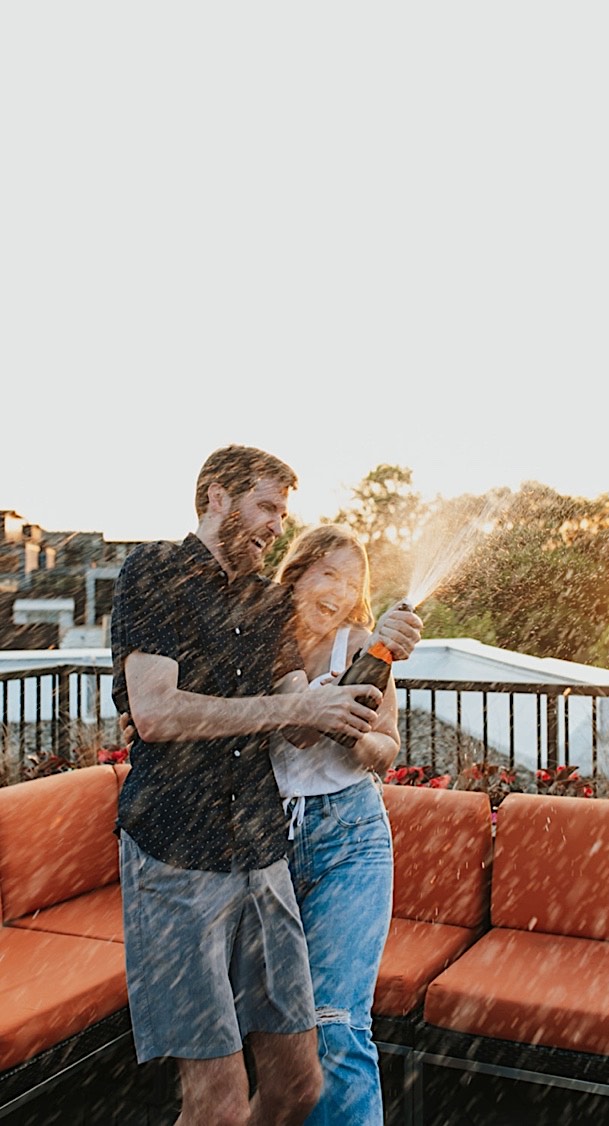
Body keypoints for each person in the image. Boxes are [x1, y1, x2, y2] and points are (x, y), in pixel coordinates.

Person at [111, 446, 385, 1125]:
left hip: (262, 859)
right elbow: (154, 713)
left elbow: (299, 718)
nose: (275, 525)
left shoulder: (268, 602)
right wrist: (296, 707)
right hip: (177, 857)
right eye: (264, 507)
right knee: (220, 1099)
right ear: (215, 498)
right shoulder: (154, 572)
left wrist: (374, 660)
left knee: (300, 1086)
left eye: (281, 513)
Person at [269, 524, 419, 1125]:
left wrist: (358, 739)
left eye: (351, 580)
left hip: (350, 839)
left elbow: (389, 747)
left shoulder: (365, 648)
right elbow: (293, 730)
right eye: (327, 572)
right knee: (279, 1028)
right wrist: (320, 709)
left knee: (336, 1023)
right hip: (266, 844)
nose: (338, 588)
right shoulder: (262, 642)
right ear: (298, 572)